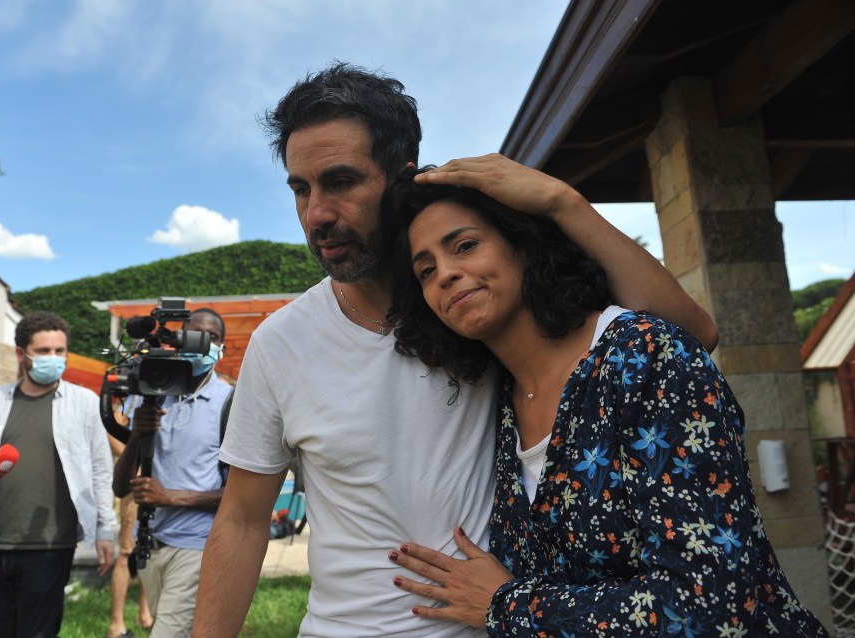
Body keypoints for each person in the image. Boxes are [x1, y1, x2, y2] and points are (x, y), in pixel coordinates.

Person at [192, 62, 718, 638]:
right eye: (301, 188)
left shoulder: (479, 315)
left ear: (402, 180)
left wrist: (563, 203)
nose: (316, 213)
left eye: (340, 182)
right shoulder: (281, 342)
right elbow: (242, 520)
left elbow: (683, 336)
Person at [381, 164, 828, 636]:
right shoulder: (495, 406)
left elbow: (710, 603)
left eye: (465, 245)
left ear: (523, 243)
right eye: (426, 270)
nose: (446, 274)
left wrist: (505, 605)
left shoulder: (645, 357)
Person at [0, 310, 117, 638]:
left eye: (60, 351)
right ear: (20, 353)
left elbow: (100, 468)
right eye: (44, 352)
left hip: (50, 546)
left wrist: (105, 531)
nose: (54, 359)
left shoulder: (84, 402)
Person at [114, 307, 233, 638]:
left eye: (212, 338)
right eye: (194, 334)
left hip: (199, 547)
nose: (202, 343)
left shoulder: (231, 403)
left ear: (222, 348)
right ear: (177, 341)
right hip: (153, 543)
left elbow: (240, 495)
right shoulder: (153, 394)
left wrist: (169, 497)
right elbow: (121, 486)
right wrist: (136, 435)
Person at [107, 426, 154, 638]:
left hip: (159, 483)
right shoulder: (130, 397)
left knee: (149, 551)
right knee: (127, 552)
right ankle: (116, 624)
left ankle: (145, 613)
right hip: (135, 486)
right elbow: (110, 430)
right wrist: (133, 464)